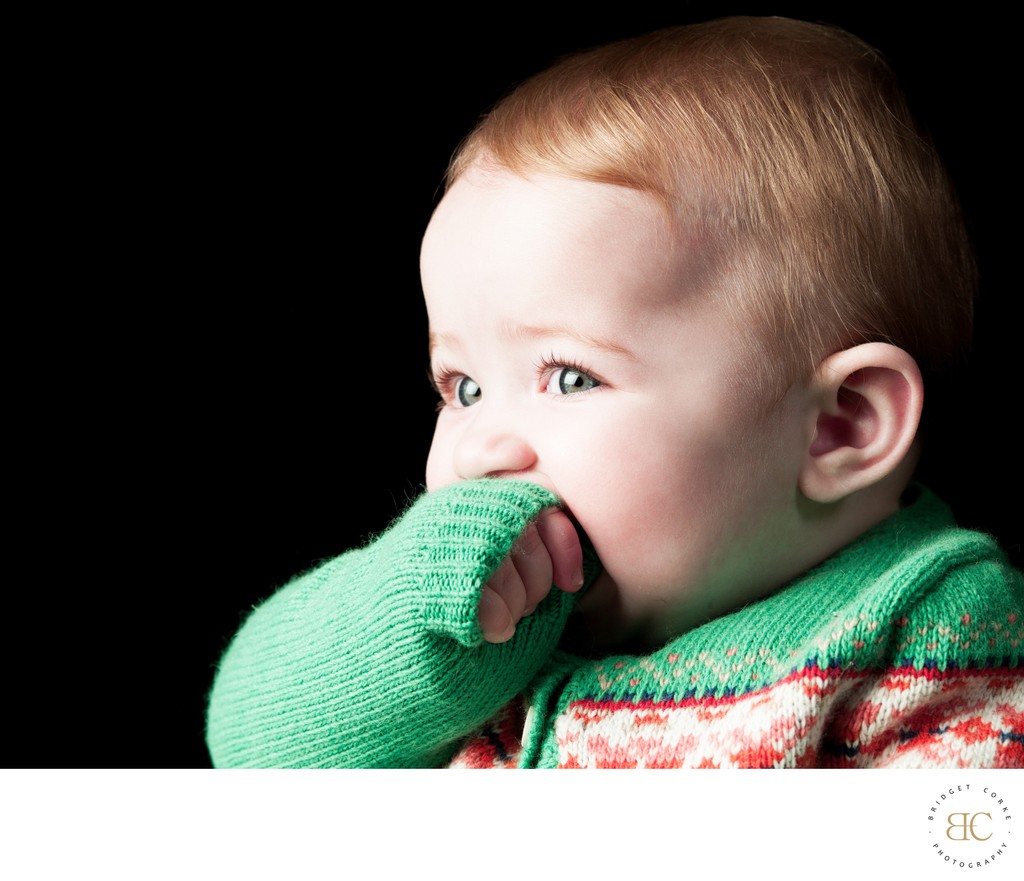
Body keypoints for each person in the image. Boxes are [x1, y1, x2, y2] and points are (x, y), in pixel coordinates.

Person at [206, 16, 1023, 768]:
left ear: (840, 428)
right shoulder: (491, 633)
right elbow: (246, 746)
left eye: (569, 377)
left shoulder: (928, 638)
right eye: (463, 386)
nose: (482, 445)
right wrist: (411, 619)